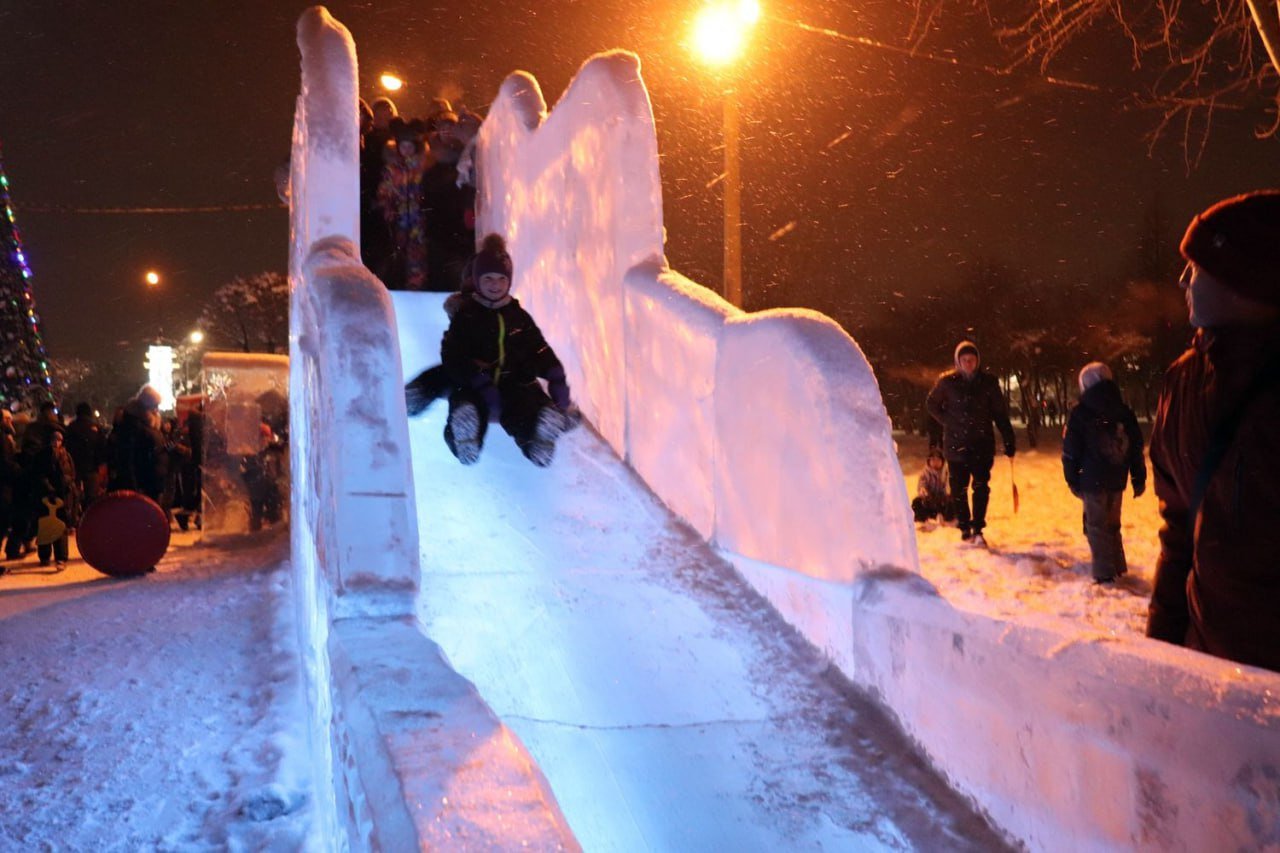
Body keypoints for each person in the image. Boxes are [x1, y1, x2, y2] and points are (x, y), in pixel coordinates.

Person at [1146, 190, 1280, 673]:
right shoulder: (1181, 383)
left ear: (1245, 282)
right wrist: (1162, 650)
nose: (1184, 282)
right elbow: (1179, 529)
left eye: (1198, 268)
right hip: (1208, 677)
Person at [440, 233, 576, 467]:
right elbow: (453, 355)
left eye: (501, 279)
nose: (495, 285)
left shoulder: (518, 316)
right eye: (488, 279)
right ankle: (464, 437)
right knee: (467, 402)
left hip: (511, 384)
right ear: (477, 280)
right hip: (475, 384)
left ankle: (537, 440)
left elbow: (538, 348)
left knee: (524, 405)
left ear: (509, 281)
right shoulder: (467, 315)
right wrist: (477, 377)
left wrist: (555, 373)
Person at [925, 340, 1016, 547]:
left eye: (972, 359)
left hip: (982, 444)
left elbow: (1000, 413)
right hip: (956, 446)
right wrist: (948, 420)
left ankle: (978, 527)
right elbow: (931, 404)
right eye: (964, 360)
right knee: (959, 489)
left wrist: (1009, 439)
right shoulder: (947, 382)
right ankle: (965, 527)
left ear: (977, 361)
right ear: (958, 361)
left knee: (981, 487)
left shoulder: (988, 383)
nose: (968, 363)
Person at [1061, 362, 1146, 584]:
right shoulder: (1124, 411)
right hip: (1117, 477)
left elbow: (1071, 450)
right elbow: (1136, 446)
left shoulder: (1081, 413)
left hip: (1091, 479)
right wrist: (1138, 477)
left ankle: (1104, 573)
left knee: (1096, 526)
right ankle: (1117, 565)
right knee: (1112, 523)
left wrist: (1072, 477)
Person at [107, 385, 165, 501]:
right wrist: (135, 488)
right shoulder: (134, 425)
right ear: (146, 406)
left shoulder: (149, 425)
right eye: (155, 406)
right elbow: (129, 459)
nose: (157, 409)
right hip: (143, 485)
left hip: (152, 483)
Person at [64, 402, 106, 517]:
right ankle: (90, 519)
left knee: (74, 495)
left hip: (75, 467)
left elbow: (66, 446)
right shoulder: (96, 428)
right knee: (91, 497)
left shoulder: (71, 427)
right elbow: (102, 448)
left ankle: (75, 518)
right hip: (91, 468)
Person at [911, 447, 953, 524]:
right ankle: (922, 519)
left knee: (953, 501)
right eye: (933, 460)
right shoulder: (925, 473)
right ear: (929, 461)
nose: (935, 462)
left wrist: (948, 491)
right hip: (929, 500)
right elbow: (922, 483)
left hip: (942, 500)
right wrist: (923, 489)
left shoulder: (946, 472)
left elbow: (949, 486)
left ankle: (946, 518)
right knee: (917, 502)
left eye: (938, 460)